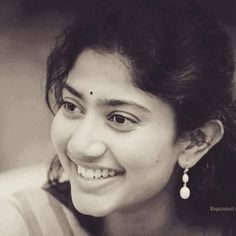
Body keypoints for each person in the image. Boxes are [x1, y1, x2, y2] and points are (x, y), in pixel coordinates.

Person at [1, 0, 236, 235]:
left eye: (120, 119)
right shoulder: (22, 226)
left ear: (196, 141)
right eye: (71, 106)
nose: (79, 145)